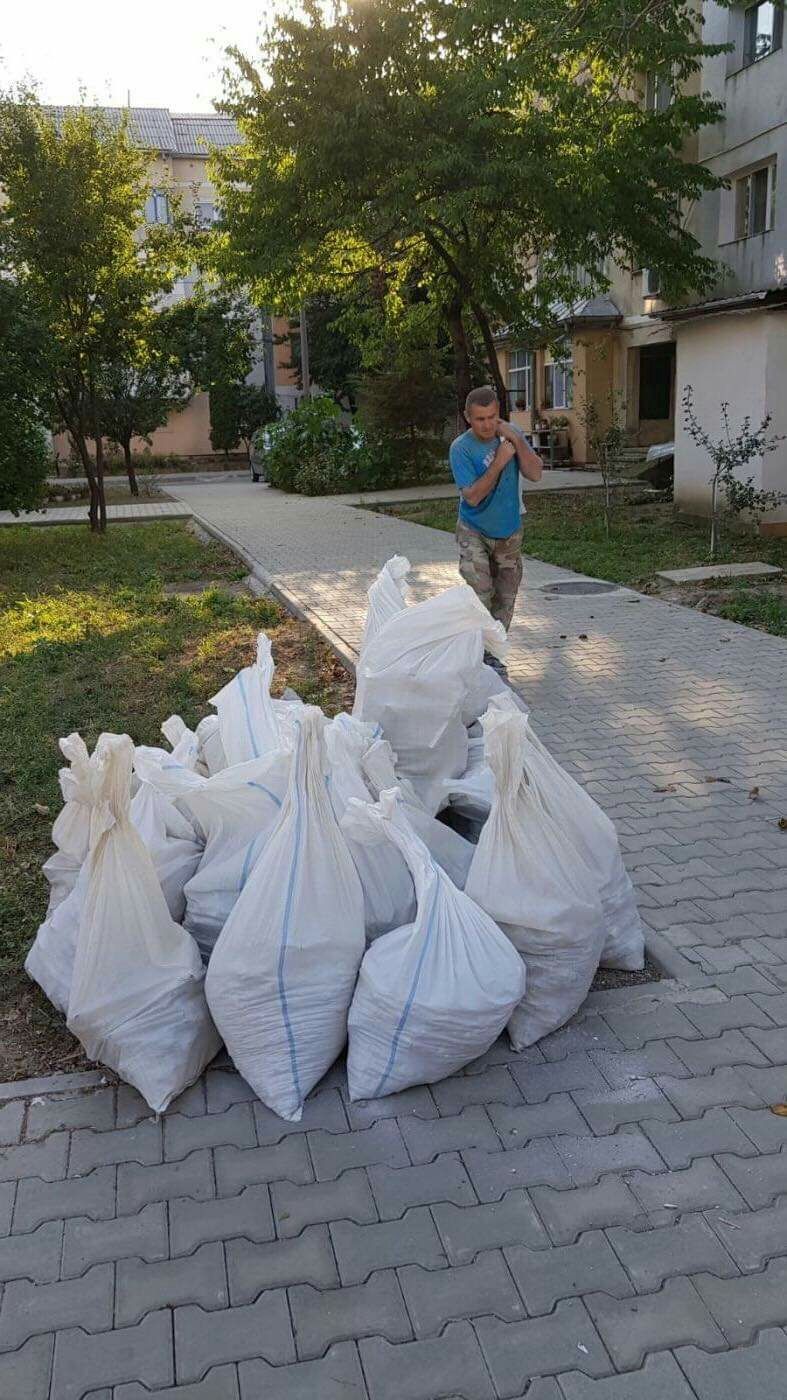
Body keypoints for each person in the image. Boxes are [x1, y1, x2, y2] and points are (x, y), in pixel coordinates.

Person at [449, 385, 543, 659]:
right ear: (468, 417)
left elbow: (535, 474)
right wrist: (500, 461)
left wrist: (516, 438)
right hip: (473, 530)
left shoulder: (512, 436)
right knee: (480, 596)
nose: (487, 424)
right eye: (480, 419)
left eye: (492, 417)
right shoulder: (461, 449)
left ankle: (494, 656)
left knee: (505, 598)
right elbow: (474, 497)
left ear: (498, 413)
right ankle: (474, 656)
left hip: (509, 531)